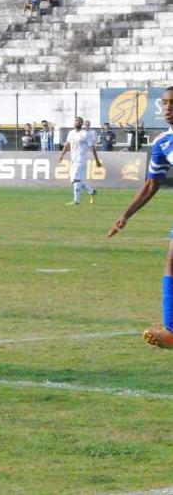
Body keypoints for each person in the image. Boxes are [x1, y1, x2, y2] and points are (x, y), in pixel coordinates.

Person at [107, 86, 173, 348]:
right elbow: (150, 185)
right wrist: (125, 215)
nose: (168, 108)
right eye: (165, 103)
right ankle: (170, 329)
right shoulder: (162, 143)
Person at [58, 116, 102, 206]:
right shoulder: (71, 133)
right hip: (73, 160)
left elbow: (92, 147)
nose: (77, 122)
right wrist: (62, 155)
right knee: (75, 180)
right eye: (76, 121)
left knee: (77, 179)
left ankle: (76, 201)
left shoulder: (85, 134)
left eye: (79, 121)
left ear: (82, 124)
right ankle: (91, 191)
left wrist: (97, 160)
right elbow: (67, 145)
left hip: (81, 159)